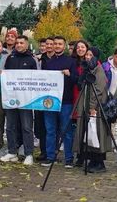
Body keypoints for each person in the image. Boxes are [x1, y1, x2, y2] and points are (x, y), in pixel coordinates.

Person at [1, 35, 38, 165]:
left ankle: (29, 154)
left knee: (27, 127)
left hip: (26, 100)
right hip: (11, 98)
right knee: (10, 126)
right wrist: (2, 74)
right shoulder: (10, 58)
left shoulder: (32, 60)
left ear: (26, 45)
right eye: (17, 43)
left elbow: (36, 79)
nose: (18, 45)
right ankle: (12, 152)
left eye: (21, 43)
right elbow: (6, 75)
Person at [41, 35, 78, 167]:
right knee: (50, 130)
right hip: (50, 101)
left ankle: (68, 158)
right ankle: (50, 157)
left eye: (59, 44)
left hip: (66, 101)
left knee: (66, 131)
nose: (57, 46)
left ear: (64, 46)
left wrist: (69, 74)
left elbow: (77, 80)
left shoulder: (70, 61)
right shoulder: (47, 62)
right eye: (55, 44)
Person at [73, 48, 111, 173]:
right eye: (87, 55)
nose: (87, 57)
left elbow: (98, 91)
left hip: (96, 109)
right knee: (87, 133)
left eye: (90, 55)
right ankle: (92, 160)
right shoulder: (88, 70)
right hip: (85, 106)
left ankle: (99, 163)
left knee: (97, 134)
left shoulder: (99, 71)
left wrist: (92, 107)